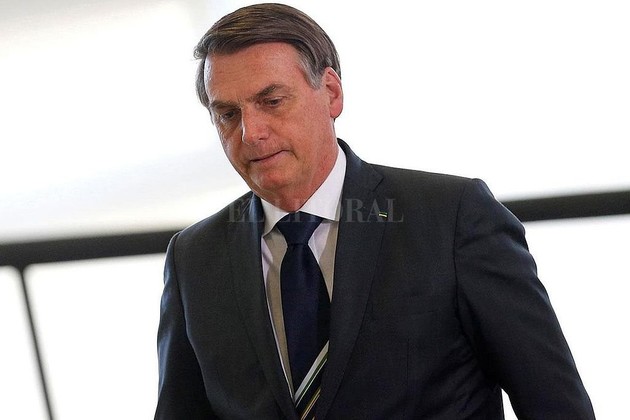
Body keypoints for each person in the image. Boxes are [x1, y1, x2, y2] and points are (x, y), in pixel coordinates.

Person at [155, 3, 595, 419]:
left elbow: (555, 406)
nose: (250, 133)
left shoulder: (452, 218)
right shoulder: (194, 258)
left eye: (272, 102)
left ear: (331, 93)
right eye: (227, 114)